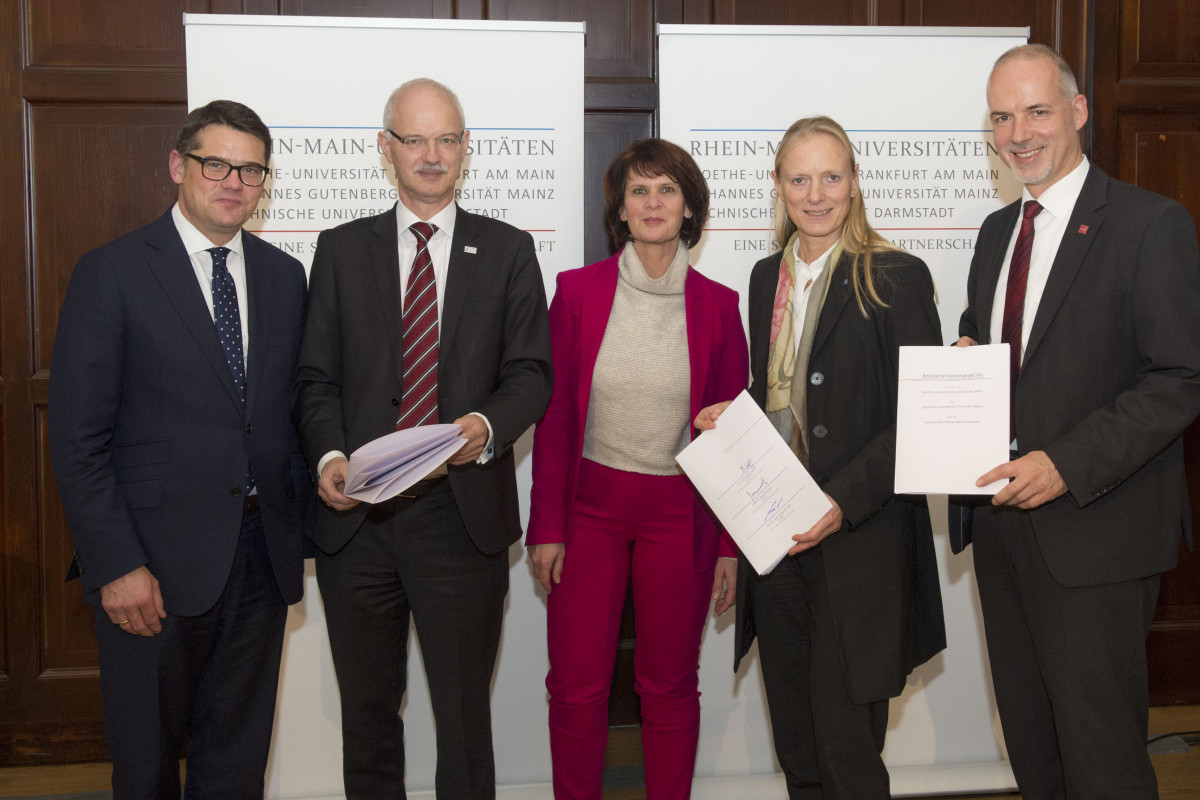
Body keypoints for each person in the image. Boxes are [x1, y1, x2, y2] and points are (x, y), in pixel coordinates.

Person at [951, 44, 1200, 799]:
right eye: (1002, 117)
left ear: (1078, 112)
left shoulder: (1148, 224)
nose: (1019, 132)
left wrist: (1064, 463)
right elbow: (1002, 350)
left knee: (1102, 762)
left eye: (1037, 111)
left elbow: (1179, 378)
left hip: (1097, 532)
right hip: (1003, 532)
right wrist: (968, 361)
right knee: (1034, 751)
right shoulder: (998, 233)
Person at [294, 78, 552, 799]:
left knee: (465, 723)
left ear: (465, 149)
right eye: (415, 139)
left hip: (458, 519)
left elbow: (531, 372)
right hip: (360, 522)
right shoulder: (341, 250)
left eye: (447, 139)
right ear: (387, 148)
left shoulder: (506, 250)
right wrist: (331, 456)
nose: (432, 155)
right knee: (369, 719)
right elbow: (315, 377)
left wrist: (488, 427)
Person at [47, 100, 310, 799]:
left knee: (236, 760)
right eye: (216, 163)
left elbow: (285, 418)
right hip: (151, 568)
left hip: (259, 558)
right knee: (147, 762)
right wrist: (117, 565)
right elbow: (78, 440)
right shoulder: (113, 273)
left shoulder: (285, 278)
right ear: (178, 166)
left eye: (251, 169)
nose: (234, 181)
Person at [695, 116, 946, 799]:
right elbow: (782, 393)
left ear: (855, 183)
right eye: (799, 179)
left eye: (830, 177)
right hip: (776, 542)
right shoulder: (763, 277)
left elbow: (918, 421)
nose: (815, 194)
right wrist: (735, 414)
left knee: (848, 751)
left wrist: (844, 504)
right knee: (798, 745)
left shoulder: (893, 275)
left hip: (857, 541)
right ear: (776, 186)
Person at [526, 139, 748, 799]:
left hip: (681, 514)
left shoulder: (719, 306)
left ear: (689, 209)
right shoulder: (575, 293)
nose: (653, 203)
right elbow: (556, 417)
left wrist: (730, 546)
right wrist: (546, 527)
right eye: (639, 191)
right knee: (576, 684)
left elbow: (730, 432)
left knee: (670, 683)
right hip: (589, 508)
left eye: (668, 190)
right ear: (620, 212)